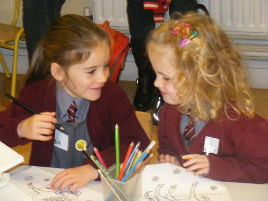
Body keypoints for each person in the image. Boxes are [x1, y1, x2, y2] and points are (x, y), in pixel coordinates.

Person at [0, 14, 150, 191]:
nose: (103, 77)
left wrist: (93, 169)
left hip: (97, 187)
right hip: (47, 187)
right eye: (91, 71)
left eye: (106, 66)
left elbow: (139, 145)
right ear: (58, 72)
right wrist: (20, 128)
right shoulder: (35, 94)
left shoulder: (112, 95)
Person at [146, 12, 268, 183]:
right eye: (156, 75)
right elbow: (167, 145)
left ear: (200, 77)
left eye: (166, 77)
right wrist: (169, 156)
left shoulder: (237, 118)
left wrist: (215, 167)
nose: (156, 84)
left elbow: (263, 167)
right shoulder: (168, 112)